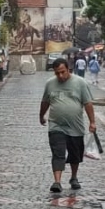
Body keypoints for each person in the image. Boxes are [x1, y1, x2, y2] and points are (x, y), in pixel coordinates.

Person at [39, 57, 96, 194]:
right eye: (57, 73)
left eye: (62, 72)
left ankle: (74, 177)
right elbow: (45, 101)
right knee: (58, 152)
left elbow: (88, 103)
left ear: (68, 69)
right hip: (56, 125)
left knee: (75, 154)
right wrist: (41, 115)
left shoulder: (80, 83)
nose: (60, 75)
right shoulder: (50, 84)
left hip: (75, 126)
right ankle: (57, 182)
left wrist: (92, 122)